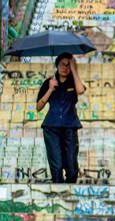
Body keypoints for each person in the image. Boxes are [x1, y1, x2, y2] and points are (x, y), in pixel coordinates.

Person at [35, 53, 86, 183]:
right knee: (56, 168)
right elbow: (39, 107)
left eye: (68, 65)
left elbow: (80, 90)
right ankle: (57, 192)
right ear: (57, 66)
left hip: (70, 127)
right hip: (51, 128)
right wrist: (50, 89)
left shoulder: (74, 82)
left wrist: (74, 69)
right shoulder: (49, 82)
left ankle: (69, 193)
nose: (65, 68)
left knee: (72, 169)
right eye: (62, 65)